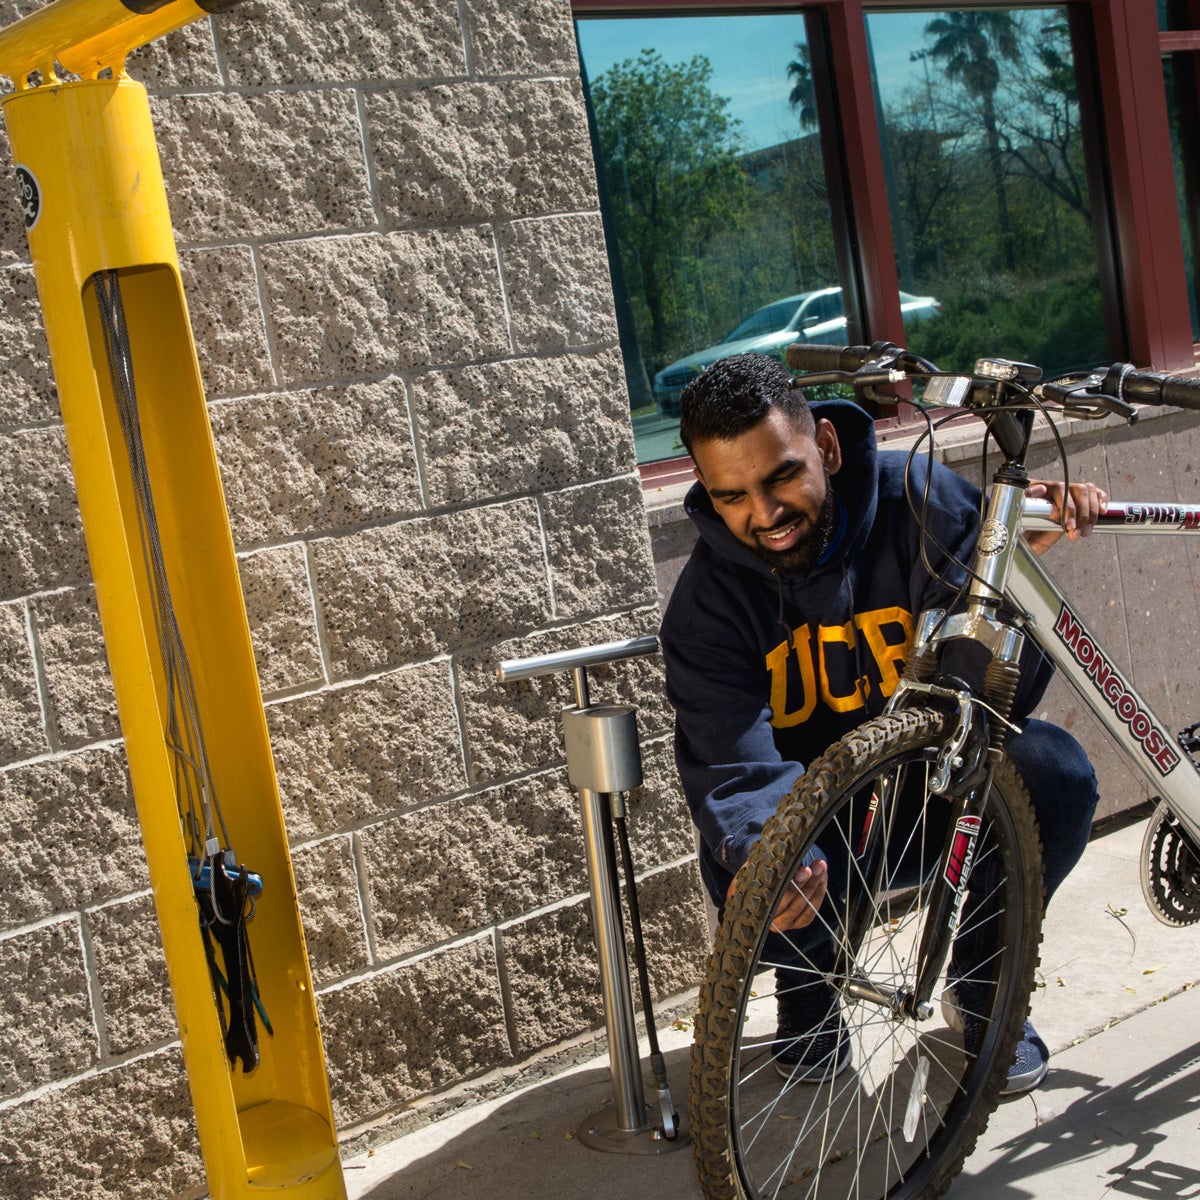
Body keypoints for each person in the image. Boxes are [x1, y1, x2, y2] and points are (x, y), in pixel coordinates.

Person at [660, 352, 1104, 1095]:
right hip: (823, 831)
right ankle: (809, 999)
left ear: (826, 448)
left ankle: (982, 981)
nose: (763, 516)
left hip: (936, 801)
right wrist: (770, 854)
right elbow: (730, 762)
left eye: (780, 478)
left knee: (1052, 770)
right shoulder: (707, 606)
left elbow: (1003, 699)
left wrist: (1017, 584)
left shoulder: (925, 503)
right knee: (758, 837)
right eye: (731, 494)